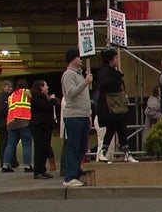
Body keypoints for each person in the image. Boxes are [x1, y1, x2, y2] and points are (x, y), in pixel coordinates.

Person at [96, 48, 138, 163]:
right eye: (115, 58)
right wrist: (117, 77)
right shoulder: (105, 72)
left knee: (119, 129)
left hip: (117, 105)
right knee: (114, 128)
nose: (117, 60)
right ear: (110, 60)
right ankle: (106, 152)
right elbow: (105, 85)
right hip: (110, 106)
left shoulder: (114, 72)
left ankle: (125, 152)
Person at [61, 48, 92, 187]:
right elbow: (71, 93)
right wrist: (85, 82)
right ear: (73, 59)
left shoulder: (79, 75)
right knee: (73, 145)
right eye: (79, 57)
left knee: (81, 146)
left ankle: (75, 171)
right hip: (74, 115)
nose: (81, 59)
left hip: (83, 114)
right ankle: (69, 177)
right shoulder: (68, 75)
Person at [2, 79, 33, 174]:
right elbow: (33, 99)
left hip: (11, 122)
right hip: (24, 121)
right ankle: (27, 166)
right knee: (27, 144)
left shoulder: (10, 96)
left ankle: (5, 165)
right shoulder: (26, 92)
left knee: (11, 144)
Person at [29, 80, 57, 179]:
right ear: (41, 87)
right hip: (40, 127)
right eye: (46, 85)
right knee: (40, 149)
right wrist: (52, 100)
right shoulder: (37, 98)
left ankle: (42, 170)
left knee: (44, 149)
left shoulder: (43, 97)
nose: (47, 87)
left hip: (45, 127)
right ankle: (38, 171)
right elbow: (44, 107)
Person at [0, 79, 18, 170]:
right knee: (4, 143)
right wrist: (10, 109)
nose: (10, 89)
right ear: (3, 87)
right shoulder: (1, 97)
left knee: (11, 142)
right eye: (8, 87)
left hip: (8, 123)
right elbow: (0, 111)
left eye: (11, 87)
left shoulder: (10, 96)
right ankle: (3, 162)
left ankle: (12, 161)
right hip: (2, 123)